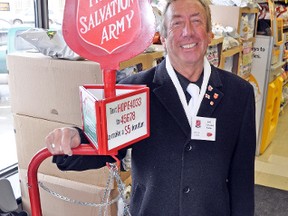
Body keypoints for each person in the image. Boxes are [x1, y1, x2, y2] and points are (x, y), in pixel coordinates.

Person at [45, 0, 256, 215]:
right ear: (163, 39)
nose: (188, 32)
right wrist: (75, 138)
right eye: (176, 23)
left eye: (197, 21)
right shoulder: (135, 90)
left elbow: (242, 176)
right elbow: (105, 148)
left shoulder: (239, 94)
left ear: (209, 35)